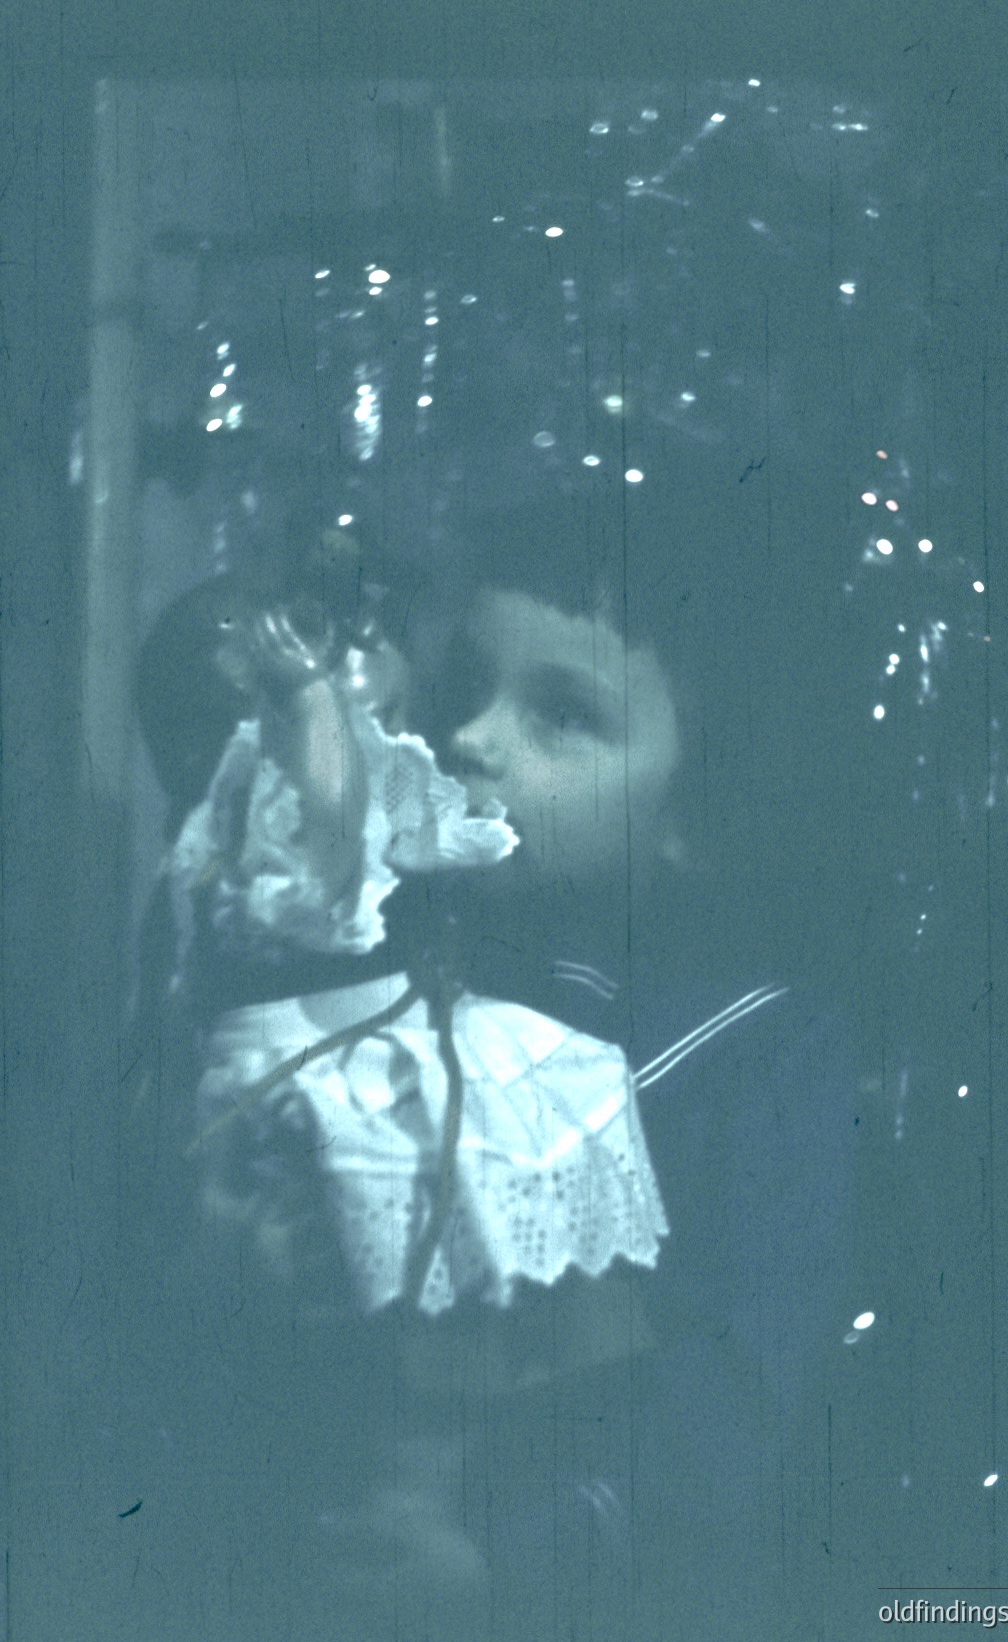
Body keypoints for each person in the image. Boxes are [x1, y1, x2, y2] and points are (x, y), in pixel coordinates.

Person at [134, 504, 860, 1640]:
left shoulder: (761, 1052)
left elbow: (741, 1399)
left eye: (561, 717)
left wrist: (512, 1563)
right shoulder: (394, 960)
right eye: (466, 684)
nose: (470, 737)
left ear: (698, 817)